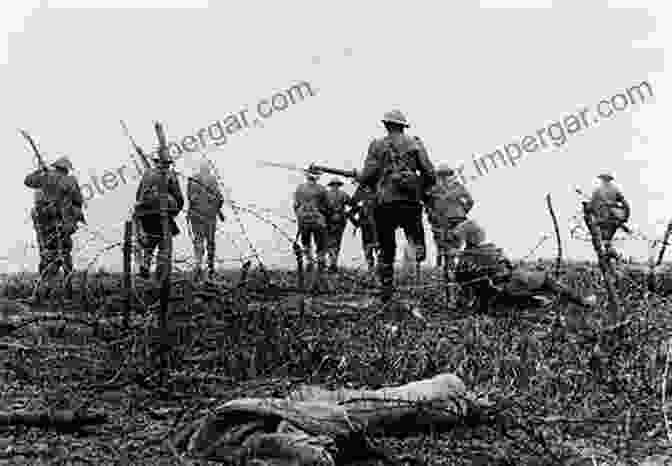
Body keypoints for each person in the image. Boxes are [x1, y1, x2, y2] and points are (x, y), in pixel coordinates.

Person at [353, 110, 436, 302]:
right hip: (410, 203)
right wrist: (418, 187)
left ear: (386, 125)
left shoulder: (377, 145)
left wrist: (361, 177)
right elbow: (430, 174)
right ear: (403, 126)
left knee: (386, 247)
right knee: (416, 240)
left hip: (385, 204)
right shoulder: (416, 144)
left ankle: (387, 290)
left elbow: (367, 176)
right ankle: (418, 278)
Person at [451, 219, 595, 312]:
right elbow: (504, 270)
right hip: (507, 289)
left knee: (538, 281)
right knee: (546, 280)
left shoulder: (465, 259)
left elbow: (465, 283)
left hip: (496, 294)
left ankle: (543, 302)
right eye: (479, 233)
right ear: (476, 236)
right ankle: (582, 302)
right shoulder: (486, 252)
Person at [24, 156, 85, 291]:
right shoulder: (70, 180)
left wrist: (39, 171)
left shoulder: (45, 177)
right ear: (66, 169)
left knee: (47, 254)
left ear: (56, 167)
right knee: (65, 254)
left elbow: (28, 181)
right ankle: (68, 289)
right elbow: (78, 200)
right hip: (63, 224)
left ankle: (45, 290)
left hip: (46, 224)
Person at [134, 153, 184, 280]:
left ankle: (145, 266)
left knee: (149, 243)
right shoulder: (170, 175)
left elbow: (139, 195)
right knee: (164, 245)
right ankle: (160, 275)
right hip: (162, 214)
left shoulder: (147, 174)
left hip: (146, 215)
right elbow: (179, 198)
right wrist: (174, 212)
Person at [425, 164, 474, 267]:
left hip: (445, 220)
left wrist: (432, 215)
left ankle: (448, 269)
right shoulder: (457, 186)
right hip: (455, 219)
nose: (443, 177)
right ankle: (451, 269)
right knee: (452, 246)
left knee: (446, 245)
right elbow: (470, 201)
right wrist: (462, 211)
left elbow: (428, 205)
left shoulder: (434, 188)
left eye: (443, 175)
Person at [187, 161, 224, 279]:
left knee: (198, 240)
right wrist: (217, 209)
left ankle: (198, 264)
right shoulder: (212, 180)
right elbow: (219, 198)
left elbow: (190, 198)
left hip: (196, 215)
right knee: (210, 241)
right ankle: (210, 266)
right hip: (210, 215)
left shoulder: (192, 180)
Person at [293, 169, 330, 278]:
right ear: (317, 177)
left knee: (306, 242)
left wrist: (300, 216)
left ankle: (309, 261)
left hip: (303, 220)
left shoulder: (300, 188)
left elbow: (295, 205)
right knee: (320, 243)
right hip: (318, 220)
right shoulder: (322, 189)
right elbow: (327, 206)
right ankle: (320, 263)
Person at [589, 173, 630, 260]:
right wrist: (624, 217)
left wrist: (588, 208)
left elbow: (591, 205)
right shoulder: (615, 190)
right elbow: (625, 204)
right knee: (607, 240)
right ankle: (612, 256)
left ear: (602, 180)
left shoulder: (597, 190)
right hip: (614, 219)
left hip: (602, 219)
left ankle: (614, 257)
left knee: (604, 240)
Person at [324, 178, 352, 272]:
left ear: (331, 185)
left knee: (329, 241)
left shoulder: (326, 194)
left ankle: (332, 263)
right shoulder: (343, 194)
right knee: (337, 242)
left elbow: (321, 207)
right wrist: (347, 214)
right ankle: (334, 263)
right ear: (339, 185)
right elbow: (353, 204)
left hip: (329, 220)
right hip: (340, 220)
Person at [349, 183, 379, 270]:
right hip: (372, 228)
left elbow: (350, 214)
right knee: (372, 248)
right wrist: (357, 223)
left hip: (369, 228)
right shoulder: (376, 199)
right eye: (366, 189)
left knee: (369, 248)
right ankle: (373, 268)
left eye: (368, 189)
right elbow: (350, 214)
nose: (367, 191)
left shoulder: (363, 200)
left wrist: (357, 223)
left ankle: (372, 268)